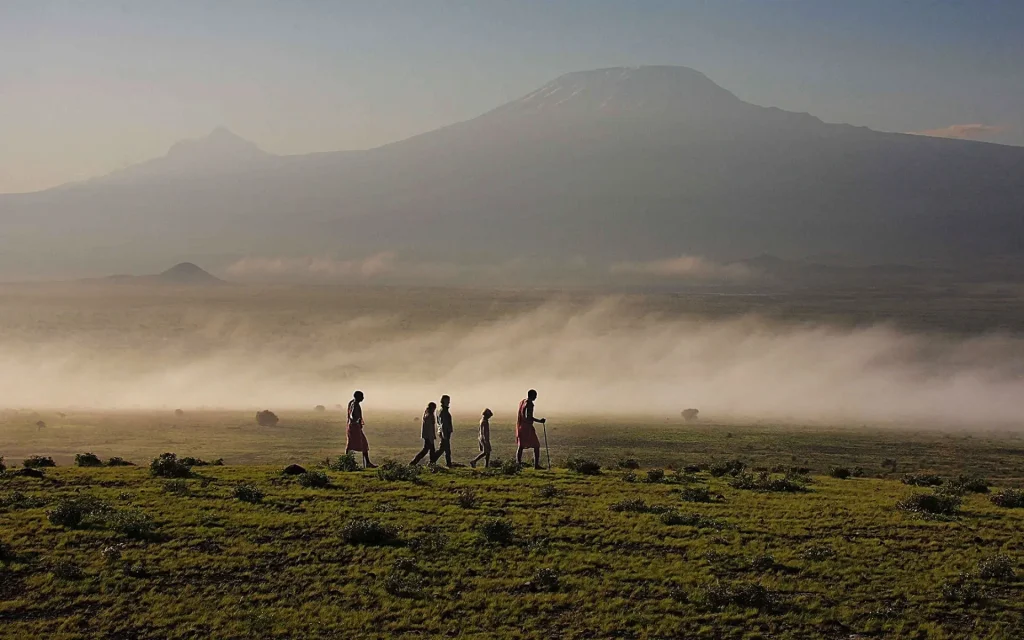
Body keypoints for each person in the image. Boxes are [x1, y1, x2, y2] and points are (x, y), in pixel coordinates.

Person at [346, 390, 376, 468]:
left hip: (352, 426)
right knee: (363, 443)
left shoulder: (352, 403)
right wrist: (357, 420)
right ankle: (367, 463)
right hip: (354, 426)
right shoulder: (355, 404)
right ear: (358, 397)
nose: (363, 398)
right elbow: (352, 415)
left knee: (352, 444)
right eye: (362, 397)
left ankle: (347, 461)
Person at [516, 389, 546, 469]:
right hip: (527, 427)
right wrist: (540, 421)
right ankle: (536, 465)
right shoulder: (529, 404)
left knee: (521, 446)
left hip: (521, 426)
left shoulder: (522, 402)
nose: (536, 397)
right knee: (536, 445)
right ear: (532, 396)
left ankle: (518, 464)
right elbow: (528, 417)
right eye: (535, 396)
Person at [431, 394, 455, 467]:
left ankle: (448, 463)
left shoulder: (440, 410)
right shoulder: (444, 411)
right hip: (445, 432)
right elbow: (443, 424)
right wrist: (445, 434)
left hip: (442, 431)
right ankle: (433, 460)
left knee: (445, 448)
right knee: (444, 448)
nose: (449, 402)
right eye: (448, 401)